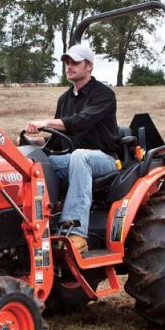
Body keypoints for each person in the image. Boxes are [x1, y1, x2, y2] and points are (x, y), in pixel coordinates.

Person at [24, 43, 119, 254]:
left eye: (75, 62)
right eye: (67, 62)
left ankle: (75, 231)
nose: (69, 66)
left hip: (104, 160)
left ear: (89, 67)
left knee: (79, 156)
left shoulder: (104, 95)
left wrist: (46, 122)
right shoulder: (64, 99)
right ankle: (36, 223)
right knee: (35, 161)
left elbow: (80, 122)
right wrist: (35, 143)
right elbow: (58, 141)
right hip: (73, 159)